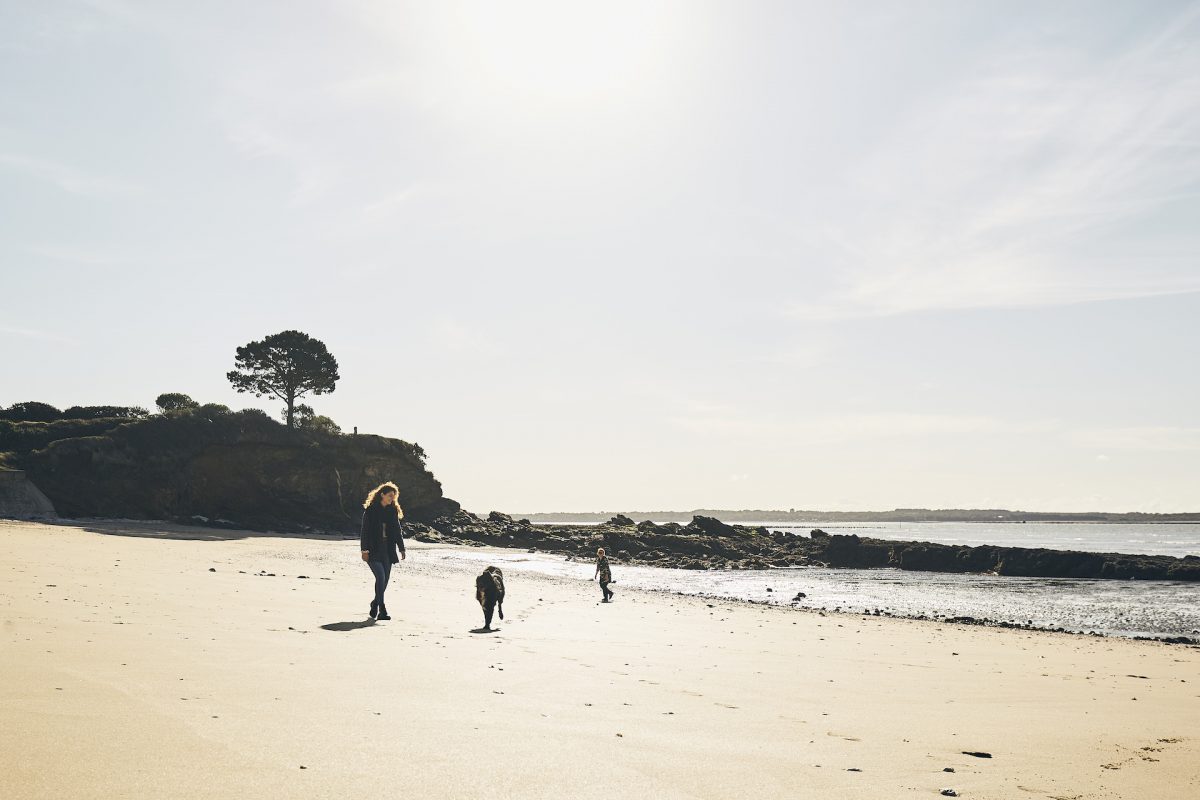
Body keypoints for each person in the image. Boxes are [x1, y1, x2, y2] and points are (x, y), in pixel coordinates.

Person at [360, 481, 406, 620]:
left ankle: (375, 603)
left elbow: (397, 531)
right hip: (373, 549)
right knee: (380, 577)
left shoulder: (392, 511)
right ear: (382, 495)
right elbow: (365, 531)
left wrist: (401, 548)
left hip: (388, 550)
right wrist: (364, 550)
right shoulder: (371, 510)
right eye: (390, 495)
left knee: (385, 580)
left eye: (394, 496)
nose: (392, 498)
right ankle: (382, 610)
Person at [475, 566, 505, 630]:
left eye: (481, 586)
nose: (480, 588)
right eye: (479, 586)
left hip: (493, 594)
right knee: (485, 609)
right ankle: (487, 623)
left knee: (490, 608)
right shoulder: (479, 589)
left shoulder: (493, 591)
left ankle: (487, 624)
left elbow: (490, 610)